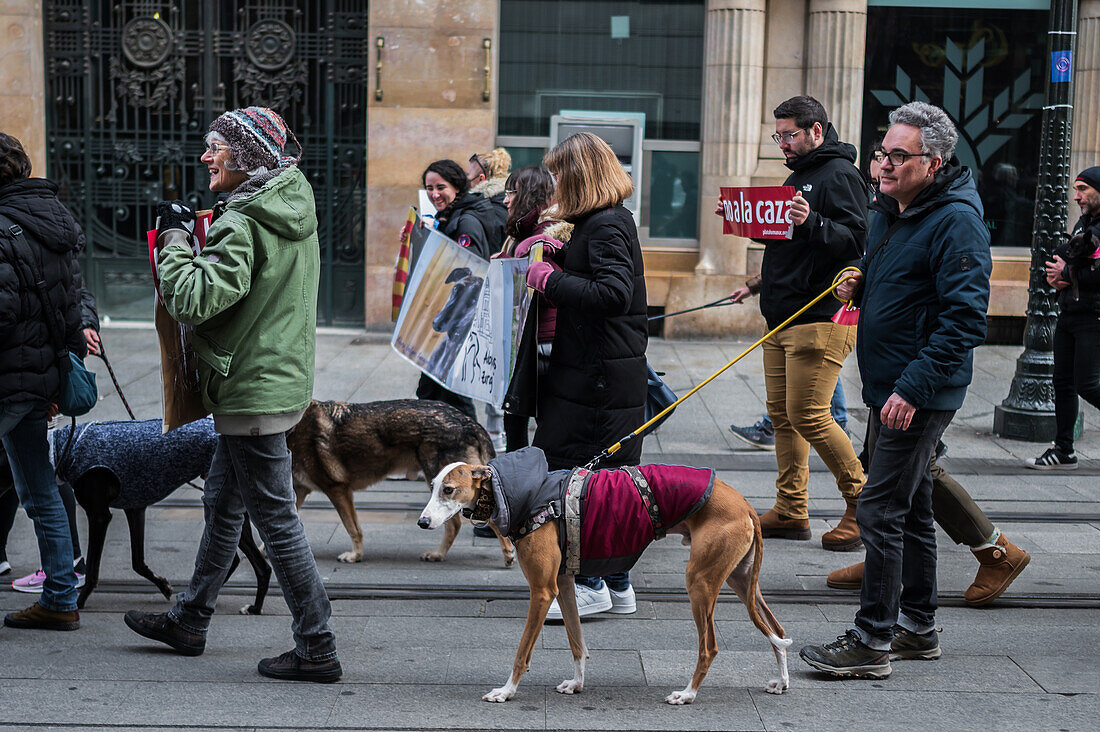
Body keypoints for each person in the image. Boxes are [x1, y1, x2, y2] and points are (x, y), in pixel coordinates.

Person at [123, 107, 340, 682]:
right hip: (275, 379)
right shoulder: (291, 203)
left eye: (215, 146)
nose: (205, 156)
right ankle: (191, 618)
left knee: (276, 522)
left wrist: (172, 238)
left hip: (251, 391)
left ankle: (317, 646)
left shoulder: (242, 221)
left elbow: (192, 300)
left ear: (245, 157)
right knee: (223, 502)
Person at [800, 102, 992, 678]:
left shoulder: (957, 221)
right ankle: (917, 628)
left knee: (879, 508)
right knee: (911, 509)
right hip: (888, 383)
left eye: (897, 156)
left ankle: (872, 639)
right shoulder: (892, 207)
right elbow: (891, 268)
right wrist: (862, 276)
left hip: (917, 390)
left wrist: (911, 388)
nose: (882, 164)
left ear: (932, 163)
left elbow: (965, 321)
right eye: (883, 151)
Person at [721, 96, 868, 550]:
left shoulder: (839, 174)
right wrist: (756, 271)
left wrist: (813, 221)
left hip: (820, 317)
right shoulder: (799, 175)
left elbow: (857, 239)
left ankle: (865, 505)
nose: (782, 142)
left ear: (817, 131)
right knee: (784, 417)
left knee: (809, 414)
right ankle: (790, 508)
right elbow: (792, 245)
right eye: (778, 135)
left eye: (789, 135)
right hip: (781, 317)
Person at [529, 132, 647, 619]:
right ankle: (617, 585)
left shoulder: (604, 225)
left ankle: (593, 584)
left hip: (596, 380)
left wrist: (550, 279)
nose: (554, 182)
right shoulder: (604, 222)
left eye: (559, 173)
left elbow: (611, 294)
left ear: (580, 176)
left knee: (587, 479)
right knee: (611, 478)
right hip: (600, 373)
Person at [0, 131, 85, 631]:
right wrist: (57, 377)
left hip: (8, 380)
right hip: (40, 377)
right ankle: (59, 597)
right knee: (39, 490)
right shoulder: (55, 221)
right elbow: (72, 305)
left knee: (37, 489)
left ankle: (58, 597)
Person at [827, 441, 1031, 607]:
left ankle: (995, 550)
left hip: (912, 393)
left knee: (917, 462)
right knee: (886, 458)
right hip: (885, 391)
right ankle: (886, 560)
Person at [4, 271, 100, 587]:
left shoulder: (23, 231)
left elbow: (74, 296)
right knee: (30, 476)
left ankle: (66, 569)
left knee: (40, 478)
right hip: (36, 375)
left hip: (26, 378)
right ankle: (61, 580)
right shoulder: (51, 227)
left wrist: (82, 331)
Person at [415, 159, 504, 422]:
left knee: (450, 395)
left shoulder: (466, 221)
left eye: (440, 187)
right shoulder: (452, 216)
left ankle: (472, 450)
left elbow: (472, 272)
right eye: (429, 188)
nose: (434, 194)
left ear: (457, 187)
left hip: (460, 328)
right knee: (433, 391)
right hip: (454, 327)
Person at [1025, 166, 1100, 470]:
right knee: (1063, 382)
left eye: (1083, 189)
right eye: (1076, 190)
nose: (1077, 196)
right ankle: (1064, 450)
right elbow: (1069, 258)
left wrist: (1067, 273)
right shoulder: (1086, 223)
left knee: (1088, 384)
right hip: (1070, 311)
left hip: (1093, 317)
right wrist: (1056, 275)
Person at [496, 166, 567, 452]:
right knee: (515, 417)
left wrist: (534, 270)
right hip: (527, 342)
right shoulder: (524, 233)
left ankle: (529, 482)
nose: (505, 200)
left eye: (511, 192)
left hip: (541, 345)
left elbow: (555, 294)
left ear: (527, 195)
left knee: (529, 420)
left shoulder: (545, 236)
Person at [466, 148, 512, 454]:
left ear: (482, 178)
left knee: (487, 362)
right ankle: (498, 434)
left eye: (468, 175)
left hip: (486, 293)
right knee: (500, 362)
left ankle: (494, 435)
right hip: (507, 293)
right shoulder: (509, 203)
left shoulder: (480, 206)